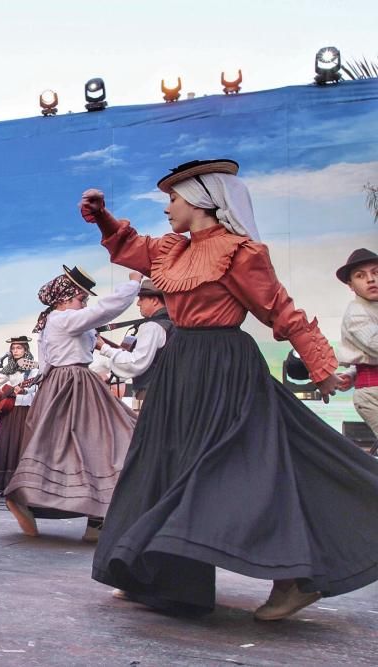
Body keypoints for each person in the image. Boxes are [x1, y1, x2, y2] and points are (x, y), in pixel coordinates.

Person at [83, 159, 378, 621]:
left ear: (201, 201)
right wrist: (103, 217)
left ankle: (296, 577)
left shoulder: (240, 253)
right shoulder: (171, 250)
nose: (167, 208)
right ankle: (160, 576)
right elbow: (131, 246)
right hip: (181, 370)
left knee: (238, 471)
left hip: (225, 369)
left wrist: (321, 366)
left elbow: (282, 311)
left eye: (173, 199)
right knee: (163, 466)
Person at [5, 266, 139, 542]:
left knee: (83, 450)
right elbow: (103, 311)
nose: (85, 304)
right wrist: (133, 285)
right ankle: (26, 500)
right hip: (72, 384)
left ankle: (95, 518)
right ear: (66, 298)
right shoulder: (62, 318)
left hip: (66, 383)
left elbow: (47, 362)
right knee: (96, 446)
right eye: (82, 299)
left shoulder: (54, 322)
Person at [96, 278, 174, 406]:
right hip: (167, 392)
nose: (138, 304)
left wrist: (103, 347)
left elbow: (137, 362)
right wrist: (111, 374)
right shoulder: (172, 324)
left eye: (142, 299)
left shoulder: (152, 327)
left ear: (154, 300)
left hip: (152, 394)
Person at [334, 248, 378, 438]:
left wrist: (352, 373)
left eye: (376, 273)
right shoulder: (357, 313)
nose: (370, 279)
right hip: (373, 395)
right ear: (351, 285)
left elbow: (367, 356)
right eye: (361, 275)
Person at [0, 335, 38, 491]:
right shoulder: (9, 367)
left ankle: (21, 483)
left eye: (19, 348)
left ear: (26, 349)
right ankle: (3, 483)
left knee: (20, 443)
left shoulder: (34, 368)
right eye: (13, 348)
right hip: (9, 410)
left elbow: (36, 388)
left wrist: (24, 389)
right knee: (5, 442)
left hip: (25, 410)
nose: (15, 351)